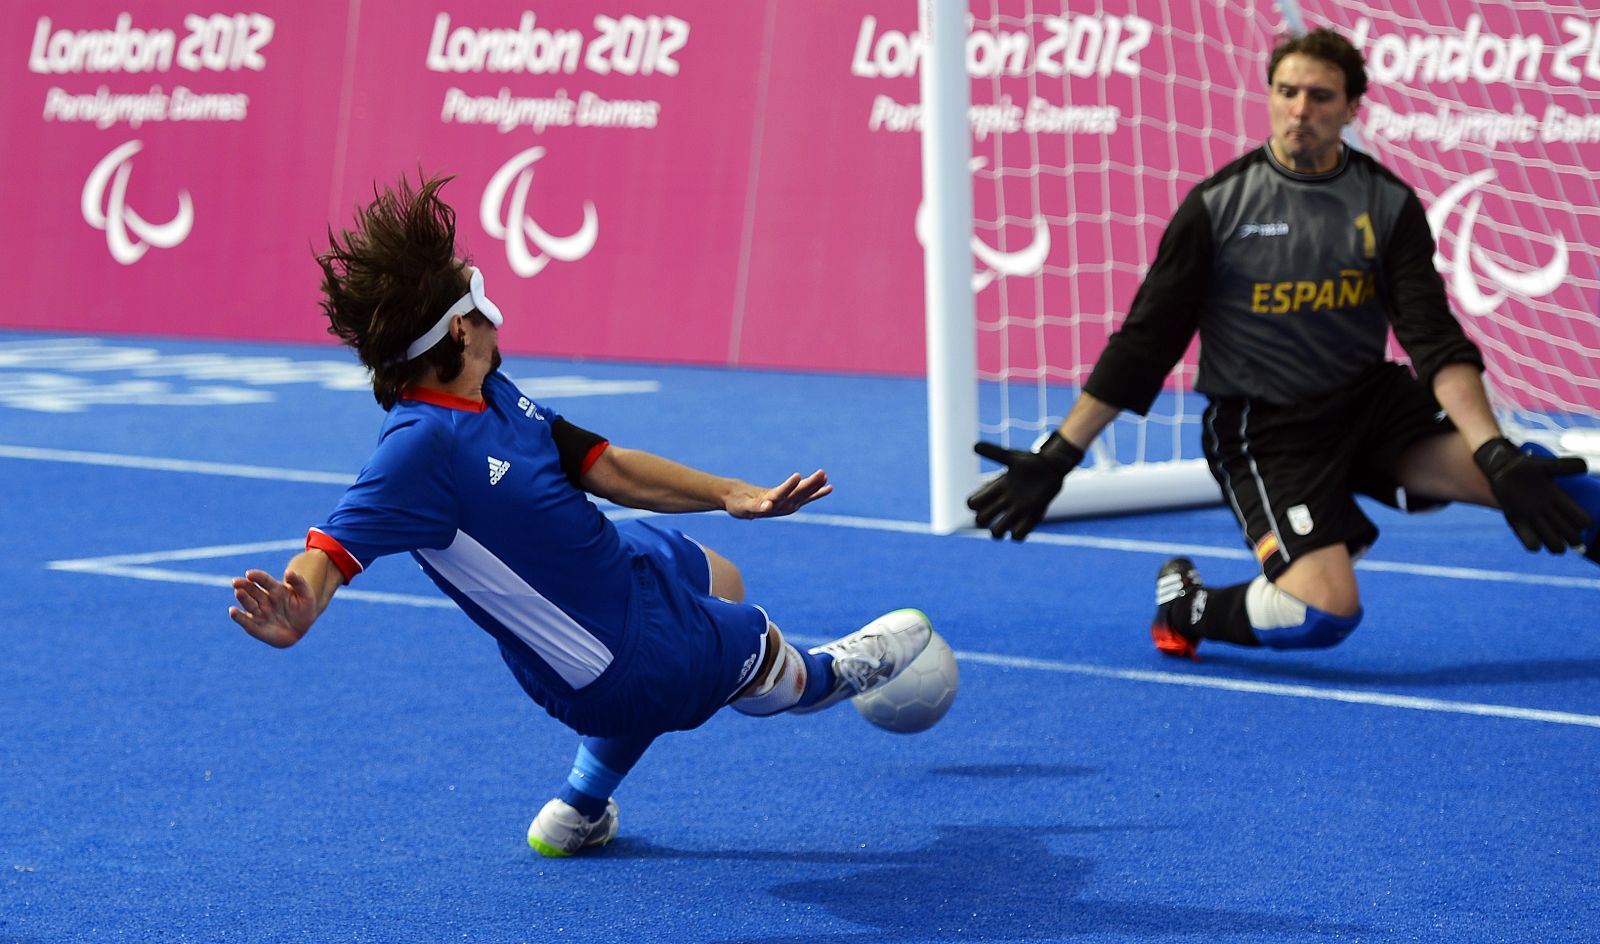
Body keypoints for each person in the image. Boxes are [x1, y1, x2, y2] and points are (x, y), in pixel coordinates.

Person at [227, 173, 933, 856]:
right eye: (478, 301)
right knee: (772, 661)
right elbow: (330, 548)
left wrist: (730, 494)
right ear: (458, 332)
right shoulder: (420, 449)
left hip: (620, 581)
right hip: (617, 663)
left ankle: (579, 808)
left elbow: (611, 467)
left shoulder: (495, 395)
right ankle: (841, 669)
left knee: (720, 578)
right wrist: (301, 605)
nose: (491, 308)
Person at [967, 27, 1598, 659]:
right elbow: (1143, 346)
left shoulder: (1387, 203)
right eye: (1287, 91)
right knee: (1321, 614)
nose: (1301, 109)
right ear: (1269, 96)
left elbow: (1434, 342)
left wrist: (1493, 454)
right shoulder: (1217, 208)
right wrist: (1057, 456)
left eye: (1321, 96)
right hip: (1266, 432)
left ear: (1353, 108)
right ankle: (1188, 605)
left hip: (1370, 409)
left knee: (1549, 481)